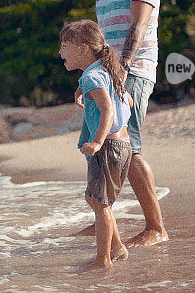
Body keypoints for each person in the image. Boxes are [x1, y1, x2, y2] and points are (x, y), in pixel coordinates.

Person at [73, 0, 169, 247]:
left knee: (130, 147)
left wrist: (122, 68)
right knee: (104, 145)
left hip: (134, 69)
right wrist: (90, 76)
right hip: (107, 72)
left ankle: (156, 228)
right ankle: (104, 216)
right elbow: (103, 40)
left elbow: (138, 27)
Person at [60, 20, 134, 272]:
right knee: (99, 201)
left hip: (108, 146)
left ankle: (103, 260)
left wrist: (97, 141)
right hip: (123, 144)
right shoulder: (105, 70)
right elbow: (129, 102)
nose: (60, 52)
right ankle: (118, 248)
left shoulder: (93, 76)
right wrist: (82, 87)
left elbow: (108, 110)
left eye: (64, 46)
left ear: (82, 49)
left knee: (99, 203)